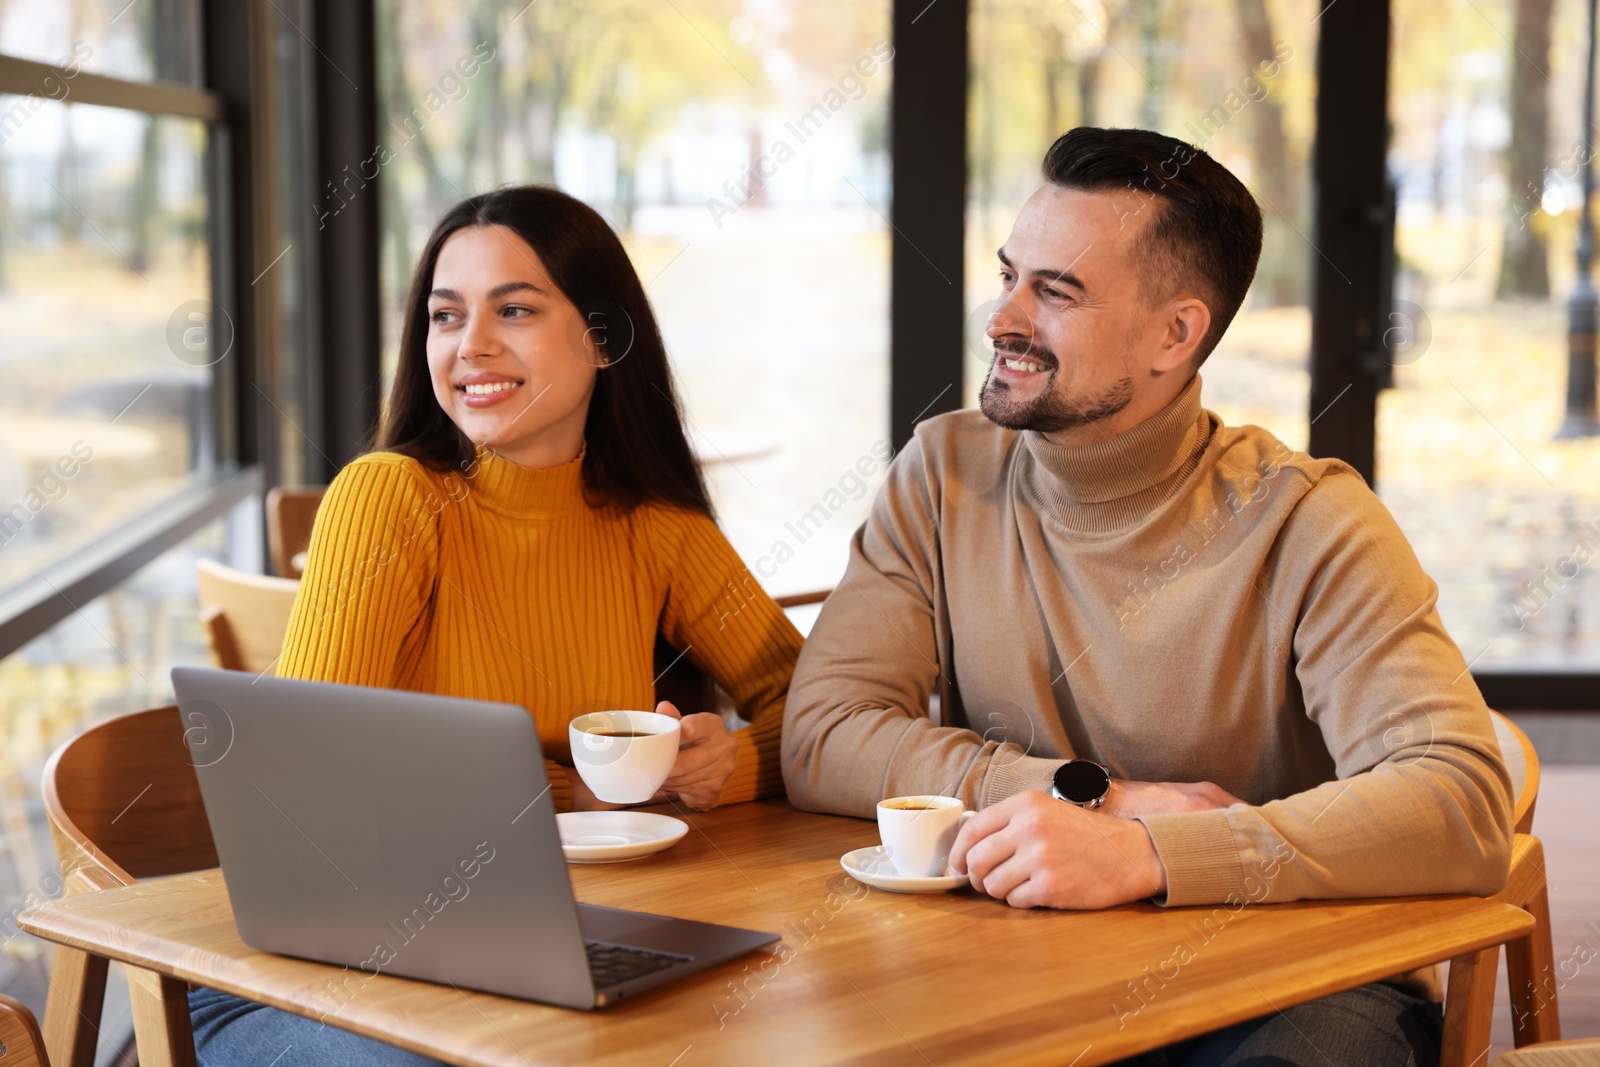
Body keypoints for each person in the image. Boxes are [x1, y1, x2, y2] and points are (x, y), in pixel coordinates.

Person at [781, 126, 1512, 1067]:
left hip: (1280, 983)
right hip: (1016, 956)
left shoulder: (1312, 519)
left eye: (1056, 291)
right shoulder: (945, 473)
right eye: (1010, 274)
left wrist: (1154, 856)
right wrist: (1093, 801)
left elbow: (1458, 799)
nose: (1003, 316)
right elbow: (823, 731)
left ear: (1177, 332)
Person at [189, 185, 802, 1065]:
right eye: (446, 316)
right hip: (320, 972)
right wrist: (576, 790)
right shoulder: (390, 499)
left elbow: (822, 712)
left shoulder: (657, 530)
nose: (470, 345)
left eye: (513, 309)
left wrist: (721, 766)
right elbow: (307, 789)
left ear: (601, 336)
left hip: (549, 948)